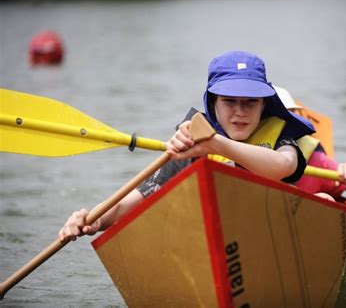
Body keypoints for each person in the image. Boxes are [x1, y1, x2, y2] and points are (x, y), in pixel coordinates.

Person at [58, 51, 315, 241]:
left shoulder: (281, 135)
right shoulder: (191, 143)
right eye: (229, 101)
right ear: (213, 103)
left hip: (271, 236)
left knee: (323, 200)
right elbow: (131, 203)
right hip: (217, 240)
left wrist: (214, 144)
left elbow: (284, 165)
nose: (240, 112)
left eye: (250, 102)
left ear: (263, 105)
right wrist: (93, 220)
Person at [274, 85, 346, 202]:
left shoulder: (314, 160)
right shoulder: (249, 148)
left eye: (289, 116)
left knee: (326, 198)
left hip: (298, 213)